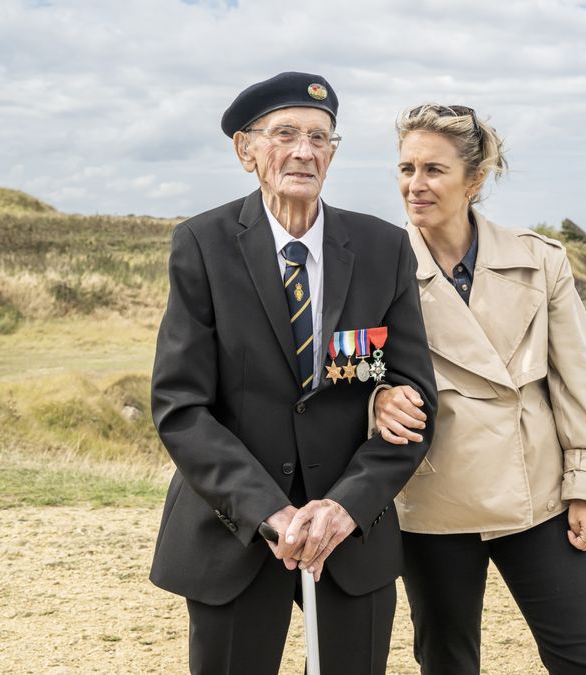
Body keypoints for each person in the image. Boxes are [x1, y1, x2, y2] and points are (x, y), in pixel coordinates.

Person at [148, 72, 437, 675]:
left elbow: (415, 403)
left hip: (352, 536)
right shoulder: (202, 244)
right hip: (236, 533)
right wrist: (269, 513)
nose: (304, 151)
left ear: (334, 151)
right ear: (246, 149)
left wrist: (346, 506)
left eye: (320, 137)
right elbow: (181, 406)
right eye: (285, 134)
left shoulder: (385, 248)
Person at [372, 103, 586, 674]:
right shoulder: (374, 265)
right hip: (430, 496)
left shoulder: (539, 260)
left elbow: (579, 380)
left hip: (537, 492)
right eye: (405, 168)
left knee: (584, 656)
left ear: (474, 180)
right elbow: (350, 369)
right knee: (447, 660)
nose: (415, 184)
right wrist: (377, 398)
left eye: (433, 170)